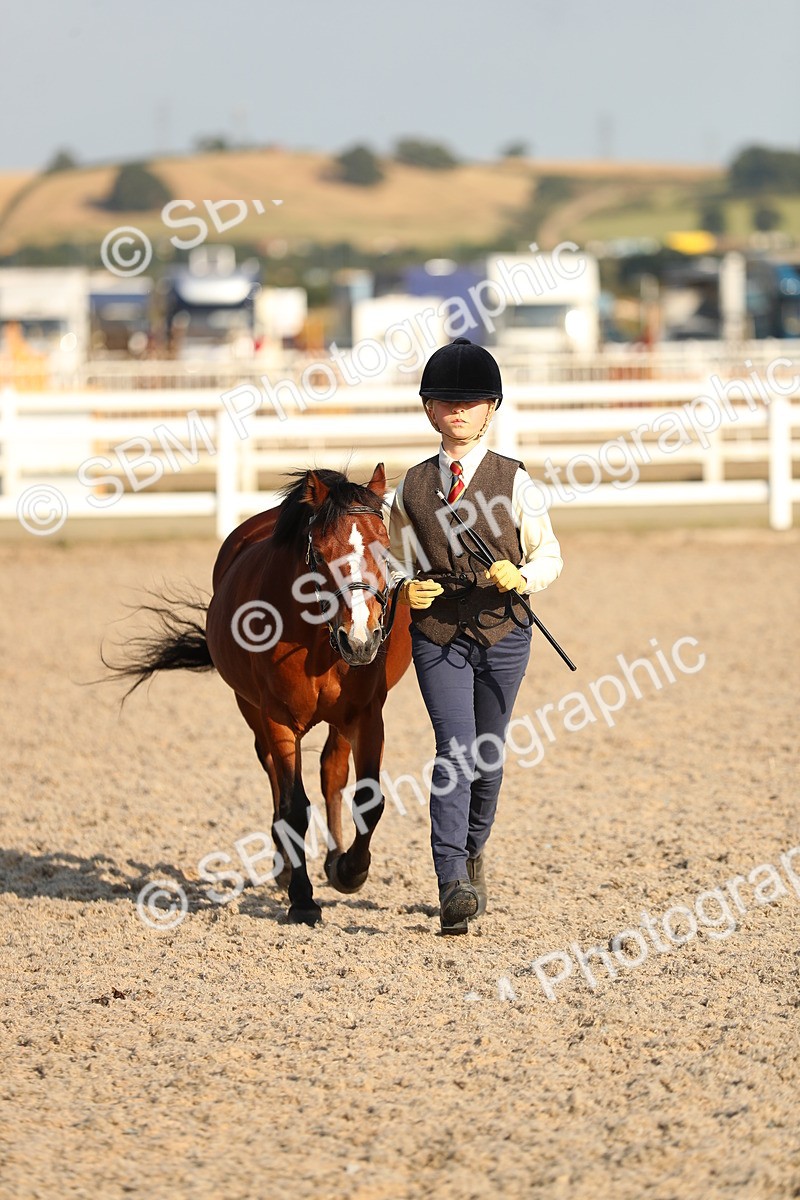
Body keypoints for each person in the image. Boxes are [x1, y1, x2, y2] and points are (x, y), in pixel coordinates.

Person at [387, 337, 563, 934]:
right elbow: (394, 559)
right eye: (446, 401)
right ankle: (451, 883)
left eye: (470, 402)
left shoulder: (516, 481)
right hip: (438, 633)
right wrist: (404, 588)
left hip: (504, 630)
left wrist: (523, 576)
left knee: (487, 755)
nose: (458, 410)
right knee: (455, 750)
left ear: (491, 409)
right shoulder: (411, 487)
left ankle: (473, 849)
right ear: (429, 410)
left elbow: (550, 555)